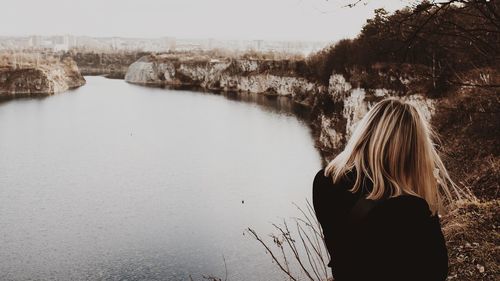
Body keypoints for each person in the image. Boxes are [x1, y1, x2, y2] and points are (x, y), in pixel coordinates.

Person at [312, 98, 460, 281]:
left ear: (365, 133)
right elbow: (436, 270)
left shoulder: (325, 181)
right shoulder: (409, 208)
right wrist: (428, 200)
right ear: (413, 151)